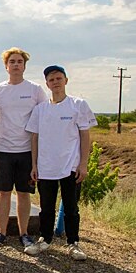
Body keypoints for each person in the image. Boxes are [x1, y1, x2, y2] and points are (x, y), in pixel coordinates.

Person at [26, 65, 97, 260]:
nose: (55, 82)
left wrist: (83, 164)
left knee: (71, 207)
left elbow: (85, 136)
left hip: (71, 167)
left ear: (66, 80)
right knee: (46, 207)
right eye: (51, 80)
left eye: (59, 78)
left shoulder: (78, 105)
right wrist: (34, 165)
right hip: (46, 167)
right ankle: (45, 239)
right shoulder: (40, 110)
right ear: (47, 84)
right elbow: (34, 138)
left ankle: (73, 243)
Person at [0, 47, 47, 254]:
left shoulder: (35, 90)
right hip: (2, 148)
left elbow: (44, 120)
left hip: (26, 150)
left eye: (19, 61)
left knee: (23, 194)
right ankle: (1, 233)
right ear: (6, 66)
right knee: (4, 193)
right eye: (12, 61)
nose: (16, 65)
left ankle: (24, 234)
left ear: (24, 65)